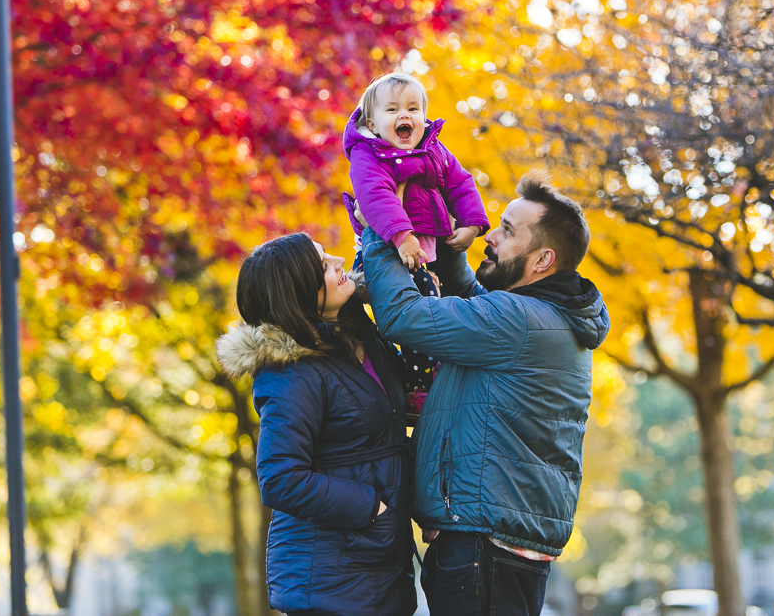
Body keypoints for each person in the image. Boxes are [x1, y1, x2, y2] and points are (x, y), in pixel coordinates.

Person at [359, 171, 610, 616]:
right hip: (493, 543)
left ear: (541, 260)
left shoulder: (520, 321)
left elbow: (403, 315)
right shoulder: (543, 316)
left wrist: (382, 233)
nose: (489, 236)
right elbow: (474, 302)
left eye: (508, 232)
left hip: (485, 546)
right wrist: (450, 247)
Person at [215, 233, 416, 616]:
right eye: (323, 265)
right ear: (297, 292)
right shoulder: (290, 373)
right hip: (329, 574)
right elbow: (280, 477)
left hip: (379, 558)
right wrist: (371, 507)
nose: (339, 262)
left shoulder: (354, 333)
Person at [342, 71, 489, 416]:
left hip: (427, 251)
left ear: (424, 117)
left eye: (412, 108)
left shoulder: (434, 148)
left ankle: (421, 378)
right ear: (373, 123)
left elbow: (460, 183)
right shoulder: (370, 154)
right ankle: (421, 382)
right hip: (392, 250)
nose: (404, 116)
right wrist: (403, 237)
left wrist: (472, 223)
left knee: (437, 301)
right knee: (418, 307)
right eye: (392, 110)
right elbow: (376, 197)